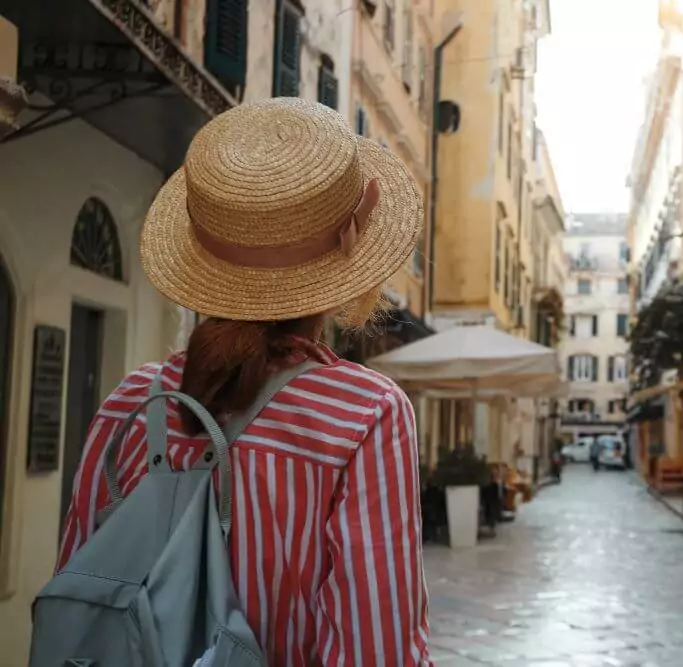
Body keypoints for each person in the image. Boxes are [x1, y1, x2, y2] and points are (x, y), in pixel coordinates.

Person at [56, 98, 432, 666]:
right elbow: (375, 648)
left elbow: (76, 587)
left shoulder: (131, 401)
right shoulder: (364, 415)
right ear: (343, 268)